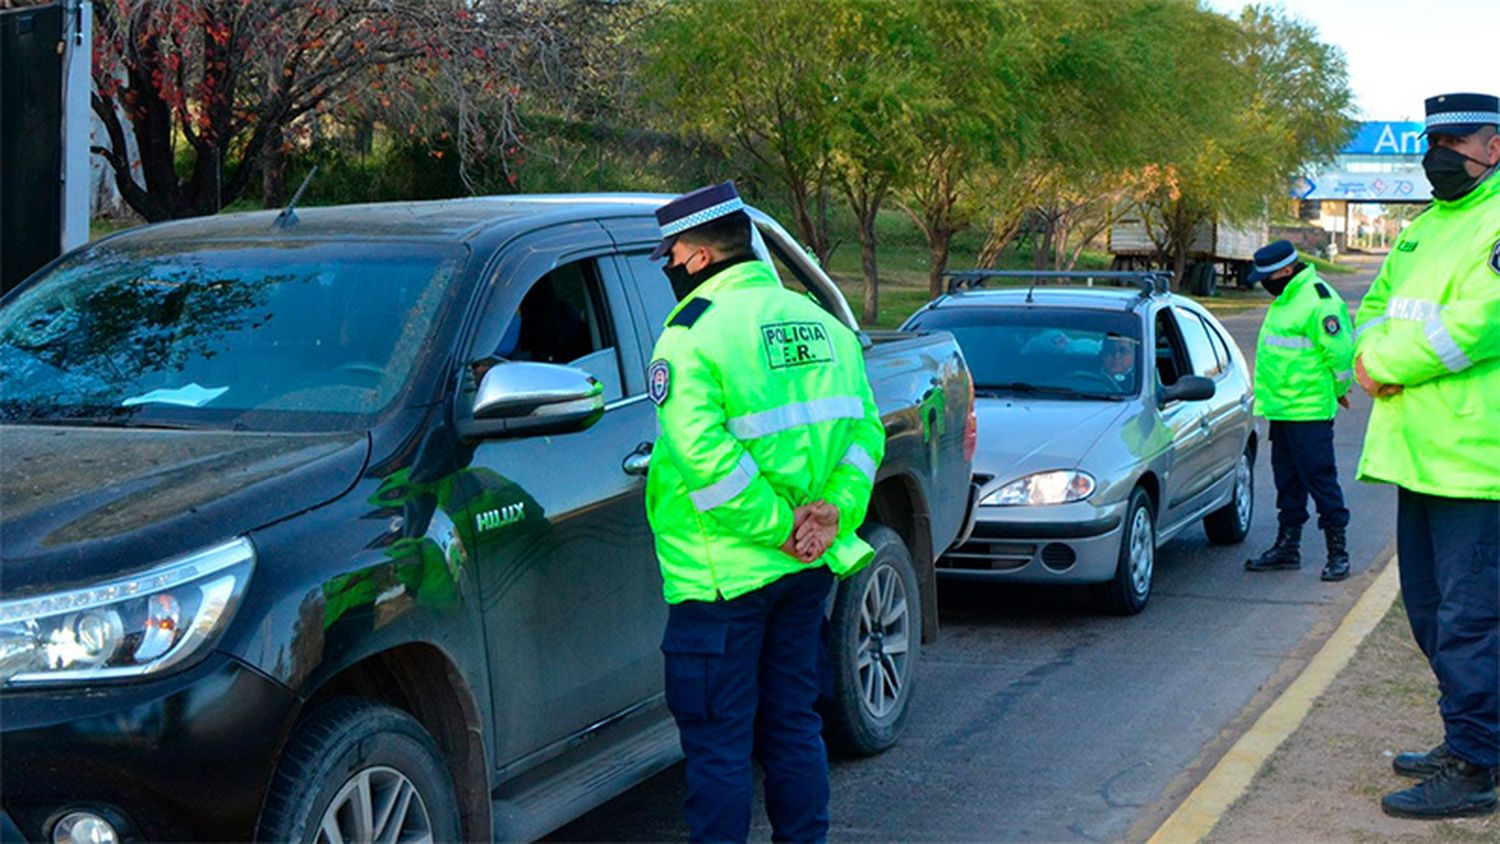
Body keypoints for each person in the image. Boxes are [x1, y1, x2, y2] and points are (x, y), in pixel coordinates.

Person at [643, 181, 885, 842]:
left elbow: (707, 463)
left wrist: (782, 530)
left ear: (694, 255)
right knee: (792, 726)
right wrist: (831, 514)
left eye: (669, 253)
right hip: (804, 573)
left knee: (719, 748)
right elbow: (866, 435)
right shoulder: (825, 327)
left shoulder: (690, 337)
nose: (667, 265)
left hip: (722, 579)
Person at [1353, 92, 1499, 820]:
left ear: (1493, 147)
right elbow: (1372, 306)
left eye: (1455, 141)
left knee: (1472, 622)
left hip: (1480, 462)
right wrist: (1369, 351)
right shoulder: (1423, 229)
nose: (1438, 153)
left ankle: (1474, 770)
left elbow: (1480, 322)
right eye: (1431, 139)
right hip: (1419, 456)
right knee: (1432, 615)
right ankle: (1467, 737)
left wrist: (1388, 364)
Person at [1242, 239, 1355, 581]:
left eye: (1267, 275)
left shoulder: (1319, 300)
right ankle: (1288, 547)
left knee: (1320, 480)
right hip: (1282, 409)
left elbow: (1341, 354)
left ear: (1287, 271)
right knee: (1288, 483)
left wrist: (1339, 390)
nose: (1263, 282)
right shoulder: (1287, 296)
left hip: (1309, 410)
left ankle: (1338, 553)